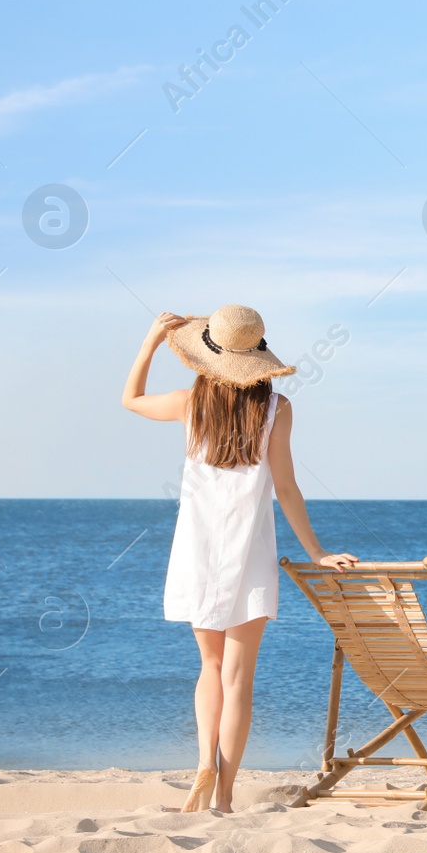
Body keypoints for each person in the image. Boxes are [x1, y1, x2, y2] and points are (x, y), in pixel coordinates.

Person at [122, 305, 357, 812]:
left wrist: (148, 344)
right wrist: (317, 552)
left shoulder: (190, 403)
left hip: (196, 548)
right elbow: (287, 487)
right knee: (238, 678)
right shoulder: (277, 408)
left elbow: (131, 400)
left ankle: (204, 760)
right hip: (249, 552)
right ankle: (224, 797)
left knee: (208, 667)